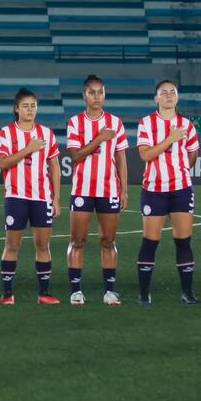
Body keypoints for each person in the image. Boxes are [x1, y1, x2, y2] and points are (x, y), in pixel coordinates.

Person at [66, 75, 128, 306]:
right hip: (82, 189)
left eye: (100, 92)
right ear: (84, 95)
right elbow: (75, 155)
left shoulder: (116, 122)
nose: (96, 97)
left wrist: (123, 190)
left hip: (109, 189)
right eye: (91, 92)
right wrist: (99, 139)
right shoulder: (75, 122)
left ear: (104, 94)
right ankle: (76, 291)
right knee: (78, 241)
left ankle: (110, 291)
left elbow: (120, 157)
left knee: (108, 241)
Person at [136, 80, 200, 305]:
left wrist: (179, 170)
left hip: (181, 188)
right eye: (164, 92)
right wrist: (170, 139)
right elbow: (146, 155)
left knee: (183, 241)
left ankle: (187, 292)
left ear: (177, 97)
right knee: (150, 241)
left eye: (173, 92)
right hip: (154, 189)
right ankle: (144, 294)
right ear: (156, 98)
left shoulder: (187, 124)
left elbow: (192, 155)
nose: (169, 95)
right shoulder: (146, 123)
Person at [0, 88, 61, 305]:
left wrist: (57, 198)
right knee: (12, 245)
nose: (30, 109)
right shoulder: (7, 133)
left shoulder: (47, 133)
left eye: (33, 105)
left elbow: (54, 165)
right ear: (16, 109)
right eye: (25, 105)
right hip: (16, 197)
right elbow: (2, 163)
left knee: (43, 245)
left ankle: (44, 293)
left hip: (42, 198)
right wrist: (28, 148)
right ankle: (7, 294)